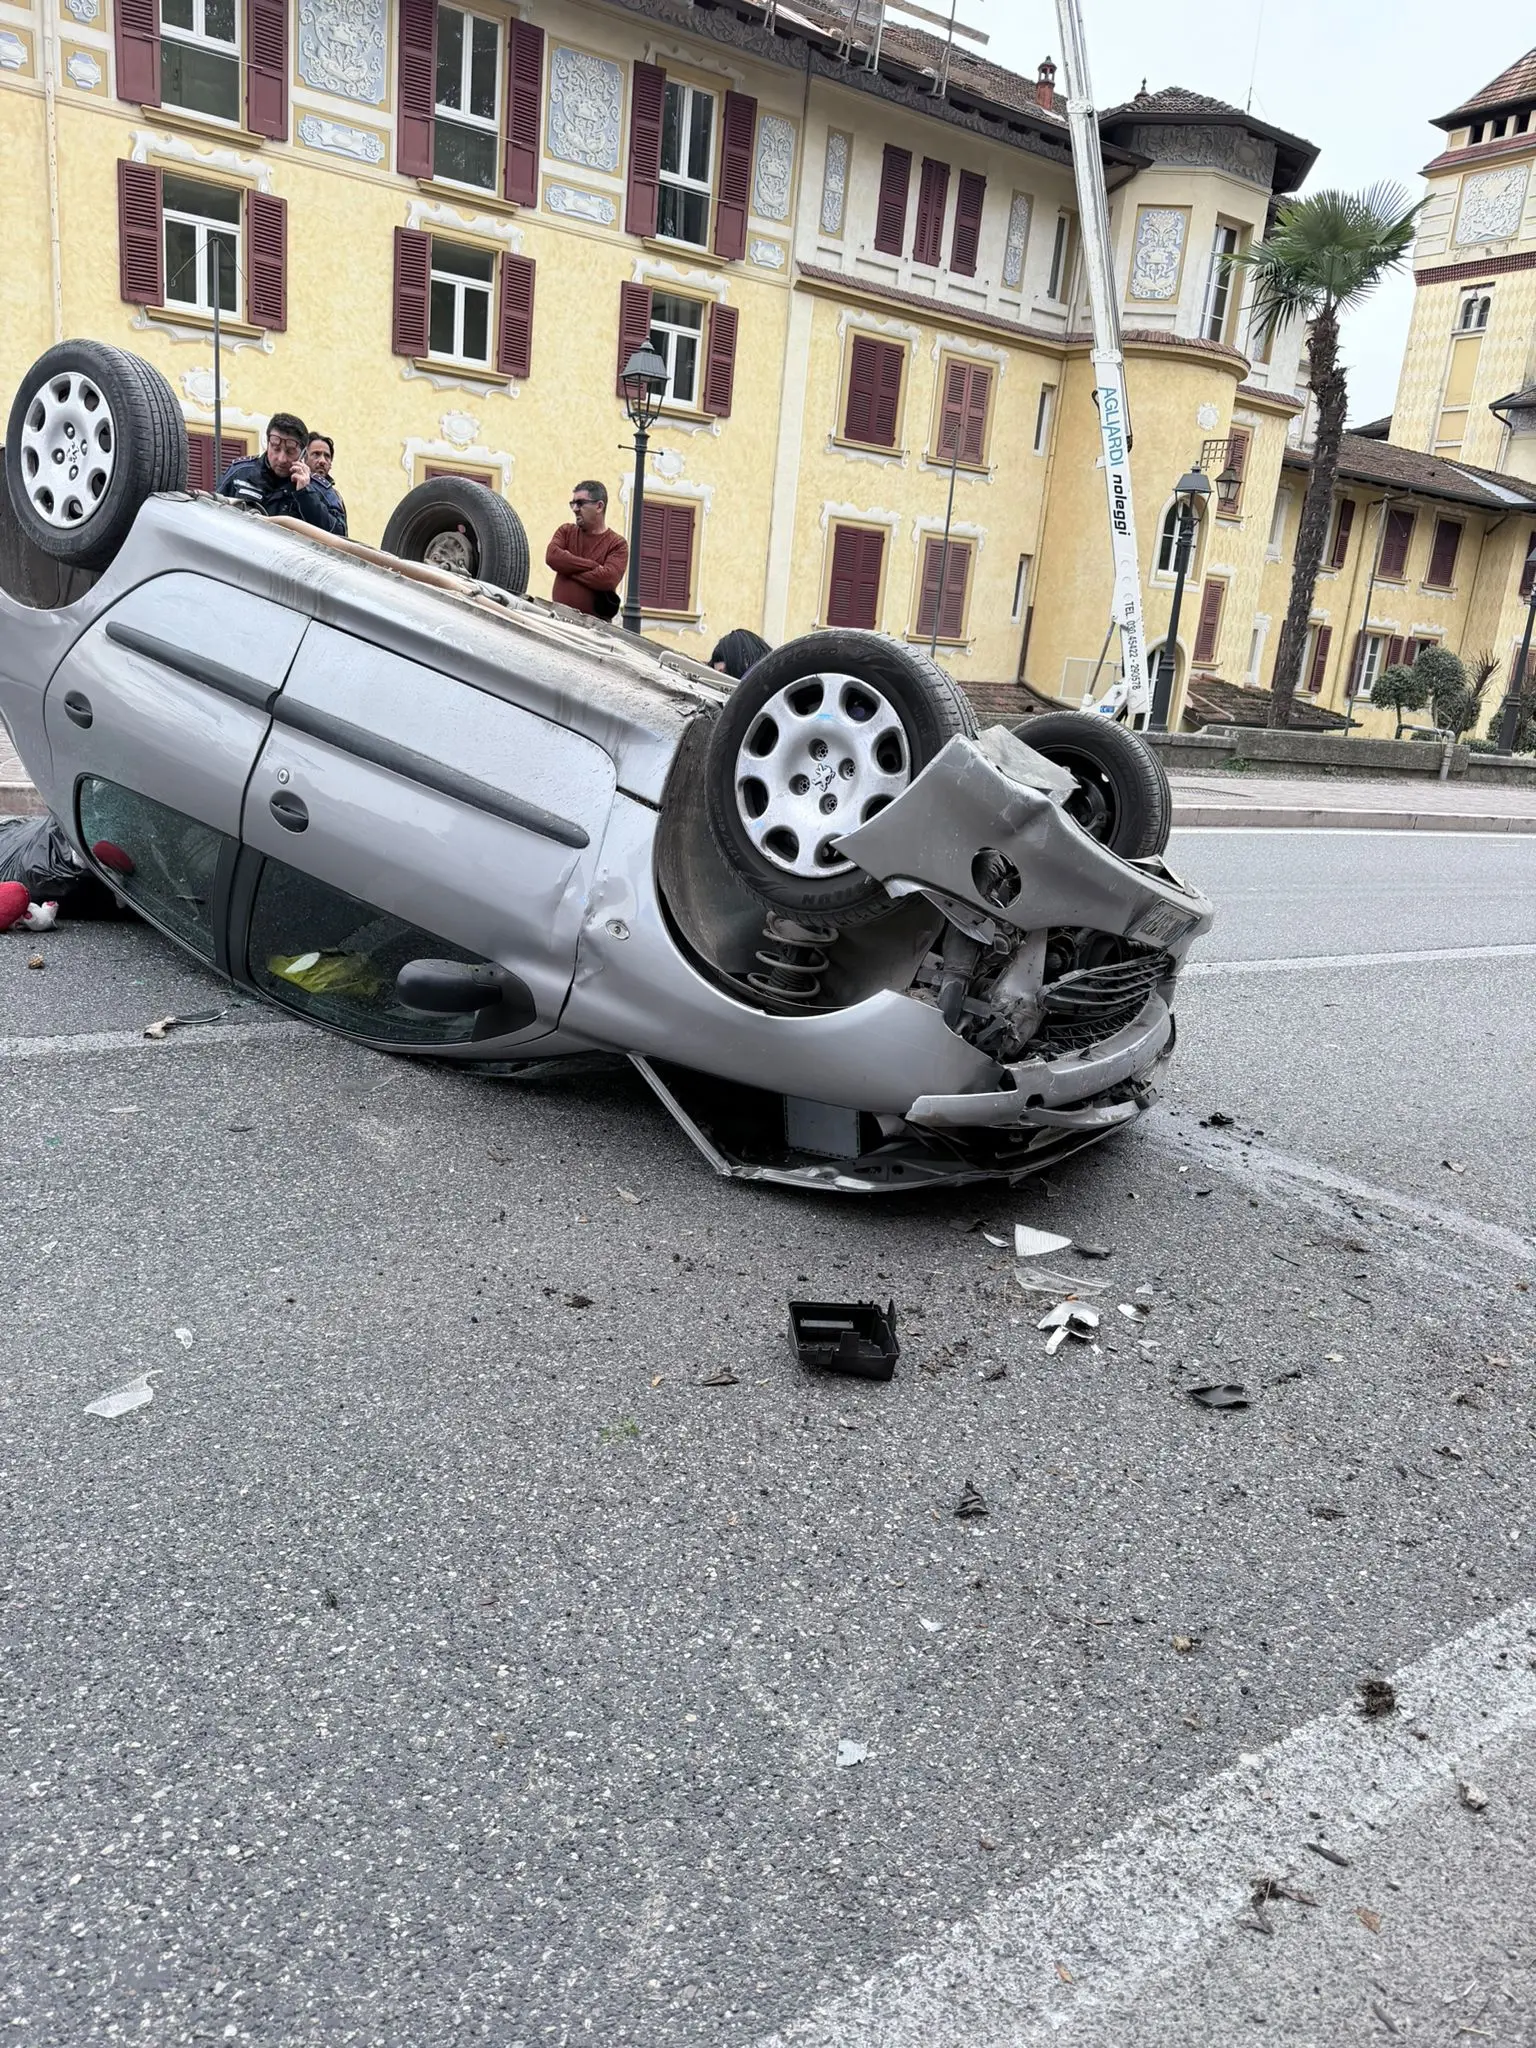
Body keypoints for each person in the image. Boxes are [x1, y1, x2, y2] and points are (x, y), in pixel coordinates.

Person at [217, 414, 345, 533]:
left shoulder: (320, 489)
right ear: (267, 444)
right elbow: (213, 512)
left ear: (303, 453)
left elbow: (340, 536)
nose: (282, 459)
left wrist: (306, 495)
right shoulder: (240, 472)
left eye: (290, 452)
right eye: (276, 448)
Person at [545, 481, 628, 617]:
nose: (575, 508)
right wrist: (593, 566)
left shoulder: (617, 544)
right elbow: (552, 557)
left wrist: (566, 569)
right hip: (558, 619)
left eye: (580, 503)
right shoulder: (566, 531)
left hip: (594, 628)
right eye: (573, 503)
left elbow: (607, 579)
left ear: (599, 506)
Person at [304, 434, 348, 537]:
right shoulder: (293, 483)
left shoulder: (334, 495)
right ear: (304, 458)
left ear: (330, 464)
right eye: (316, 454)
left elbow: (340, 533)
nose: (322, 461)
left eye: (327, 456)